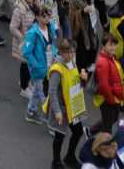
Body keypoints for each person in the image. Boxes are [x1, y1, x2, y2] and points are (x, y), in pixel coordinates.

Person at [49, 37, 90, 169]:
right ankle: (56, 162)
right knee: (59, 136)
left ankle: (70, 157)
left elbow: (75, 81)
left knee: (78, 132)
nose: (71, 55)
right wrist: (57, 111)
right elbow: (52, 91)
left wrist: (83, 79)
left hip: (73, 106)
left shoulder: (72, 62)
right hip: (62, 108)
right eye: (67, 52)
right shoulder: (57, 68)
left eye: (72, 51)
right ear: (61, 52)